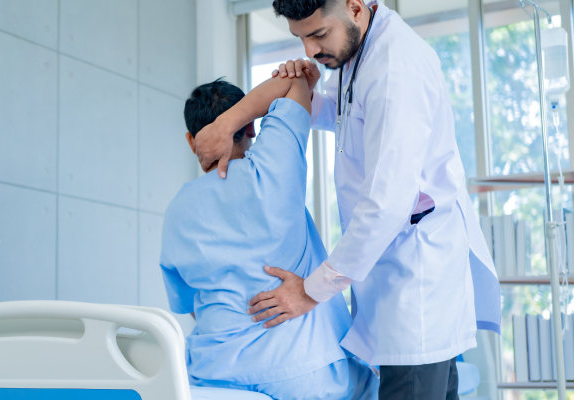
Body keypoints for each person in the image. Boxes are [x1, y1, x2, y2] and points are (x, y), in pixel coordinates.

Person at [192, 0, 501, 399]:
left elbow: (386, 204)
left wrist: (308, 292)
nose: (309, 51)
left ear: (355, 6)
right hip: (395, 273)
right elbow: (340, 113)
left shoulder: (395, 69)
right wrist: (293, 93)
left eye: (318, 35)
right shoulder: (361, 49)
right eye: (300, 38)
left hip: (416, 280)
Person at [160, 72, 378, 400]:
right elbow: (295, 85)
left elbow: (190, 303)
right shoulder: (272, 168)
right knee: (376, 383)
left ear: (191, 141)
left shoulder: (177, 210)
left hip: (213, 377)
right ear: (250, 127)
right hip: (305, 376)